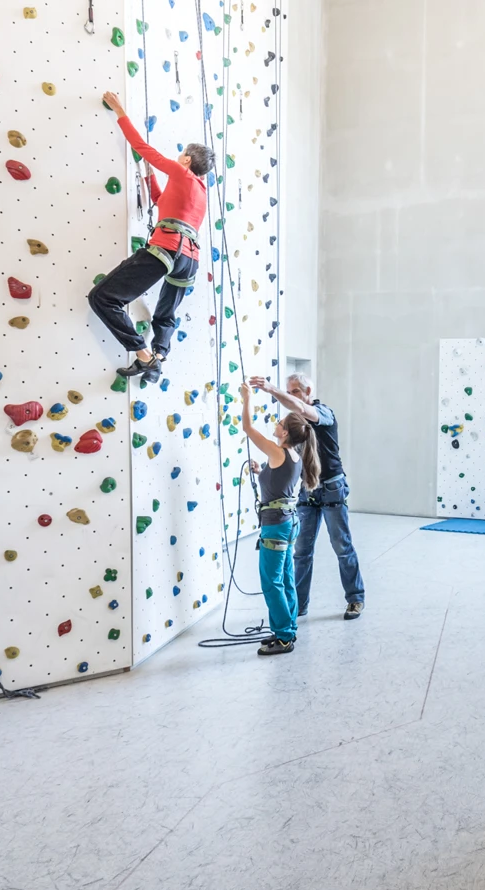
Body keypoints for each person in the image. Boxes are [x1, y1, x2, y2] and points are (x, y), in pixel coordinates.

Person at [87, 91, 209, 381]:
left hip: (168, 248)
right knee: (165, 314)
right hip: (189, 260)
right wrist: (147, 174)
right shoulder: (200, 192)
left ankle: (144, 357)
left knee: (102, 297)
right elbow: (160, 200)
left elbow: (143, 147)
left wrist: (120, 112)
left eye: (181, 155)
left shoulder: (182, 173)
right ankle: (159, 356)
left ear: (187, 160)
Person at [247, 373, 365, 621]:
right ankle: (299, 604)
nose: (291, 397)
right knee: (301, 551)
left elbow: (301, 408)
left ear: (308, 391)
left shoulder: (323, 413)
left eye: (295, 392)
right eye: (289, 392)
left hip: (332, 487)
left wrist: (271, 389)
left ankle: (355, 598)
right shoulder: (296, 425)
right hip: (308, 490)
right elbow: (288, 463)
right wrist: (263, 471)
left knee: (342, 546)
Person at [238, 382, 320, 656]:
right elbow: (278, 481)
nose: (276, 423)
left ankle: (284, 637)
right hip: (287, 523)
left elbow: (248, 428)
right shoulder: (292, 455)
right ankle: (288, 629)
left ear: (285, 433)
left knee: (271, 582)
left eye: (280, 422)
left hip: (276, 526)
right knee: (284, 579)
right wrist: (261, 471)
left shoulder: (278, 451)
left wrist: (247, 398)